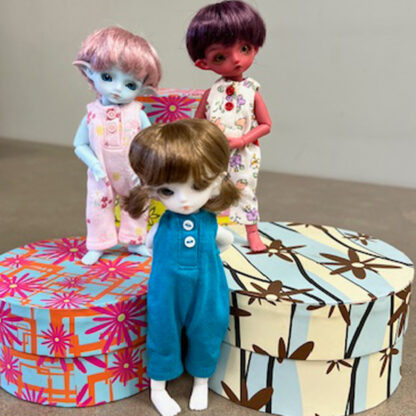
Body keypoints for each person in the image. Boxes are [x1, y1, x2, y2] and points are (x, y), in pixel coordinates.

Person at [124, 119, 240, 416]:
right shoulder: (163, 225)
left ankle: (201, 382)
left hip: (207, 287)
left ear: (217, 181)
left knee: (209, 326)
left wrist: (208, 255)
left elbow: (225, 241)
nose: (184, 199)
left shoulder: (210, 224)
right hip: (166, 289)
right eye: (167, 191)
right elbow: (151, 244)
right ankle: (158, 388)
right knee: (162, 329)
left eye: (197, 186)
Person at [186, 0, 271, 252]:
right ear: (203, 63)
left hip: (243, 154)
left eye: (244, 48)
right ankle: (208, 232)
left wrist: (243, 140)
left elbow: (266, 124)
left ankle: (252, 233)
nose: (236, 60)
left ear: (255, 47)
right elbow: (198, 122)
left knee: (245, 191)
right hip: (213, 153)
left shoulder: (251, 91)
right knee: (207, 191)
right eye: (220, 56)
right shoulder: (211, 93)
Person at [73, 26, 161, 265]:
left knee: (137, 204)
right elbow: (79, 144)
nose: (117, 89)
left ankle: (136, 241)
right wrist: (95, 165)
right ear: (88, 72)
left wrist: (143, 169)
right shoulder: (92, 113)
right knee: (97, 207)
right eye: (107, 77)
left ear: (144, 88)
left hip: (132, 171)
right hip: (101, 172)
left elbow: (151, 141)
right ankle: (98, 244)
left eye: (130, 85)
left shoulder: (137, 112)